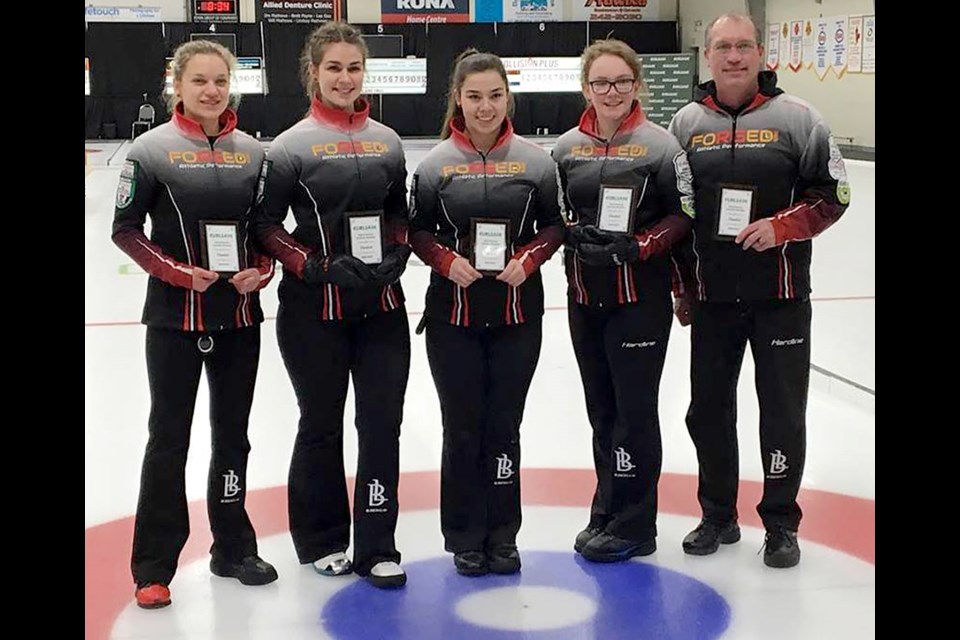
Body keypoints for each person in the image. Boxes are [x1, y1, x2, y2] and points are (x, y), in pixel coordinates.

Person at [668, 12, 851, 568]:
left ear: (760, 52)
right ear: (708, 55)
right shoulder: (684, 123)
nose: (734, 57)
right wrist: (682, 286)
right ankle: (717, 514)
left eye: (744, 46)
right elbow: (678, 211)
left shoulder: (800, 118)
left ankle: (779, 522)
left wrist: (782, 227)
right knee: (708, 411)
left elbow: (834, 193)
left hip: (781, 297)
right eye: (723, 46)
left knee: (781, 412)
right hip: (714, 299)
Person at [112, 39, 278, 610]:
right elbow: (126, 231)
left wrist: (262, 270)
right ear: (176, 86)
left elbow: (263, 231)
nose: (211, 91)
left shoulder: (254, 153)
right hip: (174, 321)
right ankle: (154, 566)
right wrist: (181, 274)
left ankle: (232, 548)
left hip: (238, 318)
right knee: (169, 441)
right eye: (200, 81)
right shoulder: (149, 150)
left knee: (233, 437)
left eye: (220, 81)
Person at [251, 21, 411, 589]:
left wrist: (397, 252)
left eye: (354, 67)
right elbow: (266, 227)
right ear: (313, 73)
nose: (346, 78)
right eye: (334, 68)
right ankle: (321, 539)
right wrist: (314, 266)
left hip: (382, 308)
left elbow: (399, 214)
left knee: (381, 424)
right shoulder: (291, 145)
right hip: (313, 312)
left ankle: (377, 543)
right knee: (320, 425)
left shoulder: (388, 141)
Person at [408, 49, 564, 576]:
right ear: (458, 98)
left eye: (495, 95)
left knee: (505, 426)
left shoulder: (537, 162)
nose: (485, 107)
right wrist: (444, 260)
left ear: (508, 97)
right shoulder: (433, 165)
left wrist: (531, 258)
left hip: (518, 317)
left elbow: (554, 227)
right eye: (474, 96)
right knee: (462, 427)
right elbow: (417, 231)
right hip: (453, 318)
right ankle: (464, 535)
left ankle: (503, 534)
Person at [552, 39, 695, 562]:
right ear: (586, 87)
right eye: (600, 83)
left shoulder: (661, 147)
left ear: (637, 85)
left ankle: (637, 524)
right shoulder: (566, 148)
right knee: (601, 411)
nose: (611, 92)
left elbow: (683, 217)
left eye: (621, 82)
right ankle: (608, 508)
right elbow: (558, 213)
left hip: (639, 299)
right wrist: (573, 235)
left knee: (634, 413)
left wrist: (639, 246)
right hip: (585, 298)